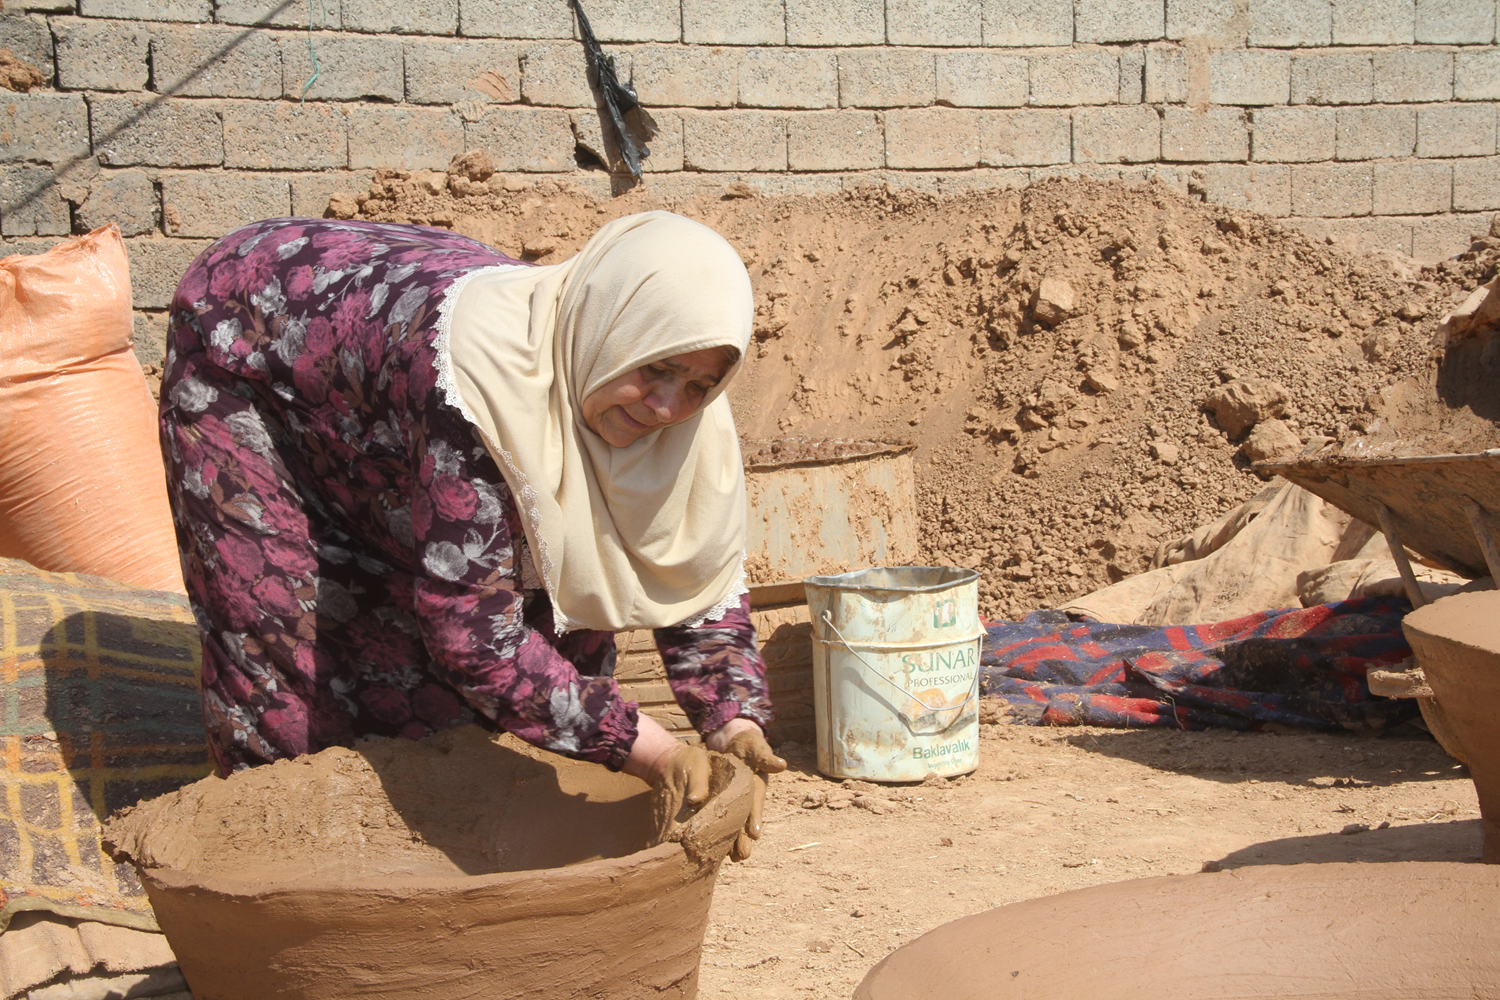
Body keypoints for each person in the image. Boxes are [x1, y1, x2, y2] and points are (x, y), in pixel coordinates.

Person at [159, 211, 785, 859]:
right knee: (292, 633)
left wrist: (733, 719)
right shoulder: (478, 386)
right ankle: (284, 859)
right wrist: (651, 752)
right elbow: (470, 632)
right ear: (611, 329)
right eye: (656, 370)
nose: (666, 406)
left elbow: (688, 570)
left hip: (386, 372)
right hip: (252, 338)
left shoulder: (674, 404)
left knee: (537, 644)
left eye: (698, 385)